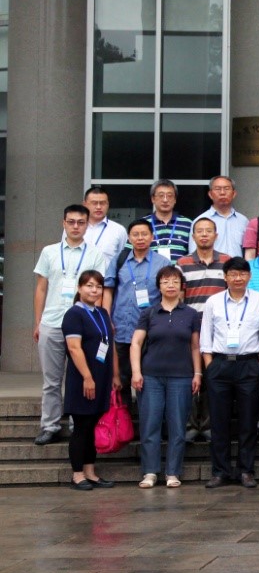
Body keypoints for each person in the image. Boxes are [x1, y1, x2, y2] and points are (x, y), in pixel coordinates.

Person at [33, 205, 109, 446]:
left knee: (79, 375)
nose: (76, 226)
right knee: (51, 380)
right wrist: (38, 322)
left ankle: (79, 423)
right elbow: (41, 288)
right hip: (52, 321)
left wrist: (100, 323)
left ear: (87, 225)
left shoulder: (95, 254)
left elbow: (99, 289)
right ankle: (50, 425)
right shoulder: (49, 251)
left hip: (84, 324)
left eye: (81, 222)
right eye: (71, 222)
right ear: (63, 223)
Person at [131, 265, 201, 488]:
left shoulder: (191, 314)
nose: (170, 285)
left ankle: (173, 472)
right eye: (165, 281)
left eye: (175, 281)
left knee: (178, 427)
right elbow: (136, 343)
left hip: (181, 377)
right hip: (151, 377)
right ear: (159, 286)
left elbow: (195, 347)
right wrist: (136, 371)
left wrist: (197, 373)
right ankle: (150, 472)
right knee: (150, 425)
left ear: (182, 286)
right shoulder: (149, 313)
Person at [200, 257, 259, 488]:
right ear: (225, 277)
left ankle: (246, 470)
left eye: (242, 274)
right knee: (219, 421)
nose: (238, 278)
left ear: (249, 276)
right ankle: (220, 471)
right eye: (233, 274)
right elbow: (205, 336)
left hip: (249, 364)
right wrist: (209, 366)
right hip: (219, 365)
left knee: (248, 421)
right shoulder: (213, 302)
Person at [106, 219, 173, 415]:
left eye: (144, 234)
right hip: (121, 328)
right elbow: (108, 290)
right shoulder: (119, 260)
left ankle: (148, 422)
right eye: (135, 234)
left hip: (150, 332)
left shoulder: (163, 263)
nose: (140, 238)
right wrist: (106, 318)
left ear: (152, 237)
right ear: (129, 238)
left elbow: (169, 295)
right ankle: (124, 423)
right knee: (121, 381)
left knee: (148, 381)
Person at [62, 270, 121, 491]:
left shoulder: (102, 313)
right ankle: (77, 475)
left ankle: (90, 472)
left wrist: (115, 375)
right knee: (82, 426)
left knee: (92, 426)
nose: (94, 290)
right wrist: (87, 377)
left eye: (98, 286)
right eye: (89, 285)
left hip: (102, 377)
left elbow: (110, 344)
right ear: (79, 288)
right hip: (83, 379)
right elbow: (74, 348)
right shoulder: (73, 314)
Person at [175, 217, 229, 444]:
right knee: (189, 376)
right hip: (190, 329)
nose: (204, 234)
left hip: (219, 330)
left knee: (211, 378)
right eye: (200, 231)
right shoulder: (182, 263)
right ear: (193, 236)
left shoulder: (227, 262)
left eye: (209, 231)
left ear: (216, 235)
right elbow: (178, 296)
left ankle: (207, 425)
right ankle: (189, 425)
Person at [197, 175, 250, 258]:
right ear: (210, 194)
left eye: (226, 188)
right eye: (218, 189)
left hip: (237, 266)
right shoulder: (200, 221)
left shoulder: (243, 221)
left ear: (234, 194)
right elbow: (194, 253)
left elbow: (249, 252)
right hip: (211, 266)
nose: (222, 192)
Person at [145, 179, 194, 261]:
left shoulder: (188, 224)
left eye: (170, 196)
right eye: (161, 195)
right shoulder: (143, 224)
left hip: (180, 269)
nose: (165, 200)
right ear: (153, 199)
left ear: (175, 199)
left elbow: (194, 252)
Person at [80, 185, 129, 263]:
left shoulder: (119, 230)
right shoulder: (74, 228)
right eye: (94, 203)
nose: (98, 207)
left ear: (108, 204)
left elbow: (124, 259)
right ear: (84, 204)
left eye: (102, 203)